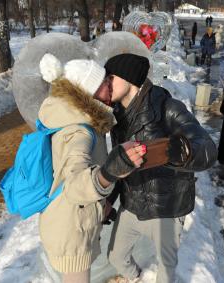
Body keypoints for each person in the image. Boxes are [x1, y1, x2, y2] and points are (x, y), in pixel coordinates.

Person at [103, 53, 217, 283]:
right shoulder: (118, 117)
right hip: (131, 204)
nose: (106, 82)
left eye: (111, 77)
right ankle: (136, 279)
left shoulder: (166, 107)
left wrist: (182, 151)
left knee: (166, 271)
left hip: (167, 207)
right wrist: (110, 199)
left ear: (129, 78)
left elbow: (207, 148)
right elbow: (121, 166)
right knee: (115, 256)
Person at [37, 58, 146, 283]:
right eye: (107, 81)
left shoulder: (73, 118)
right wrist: (111, 171)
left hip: (71, 220)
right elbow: (76, 185)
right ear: (92, 90)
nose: (111, 85)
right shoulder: (79, 131)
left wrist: (101, 205)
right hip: (71, 230)